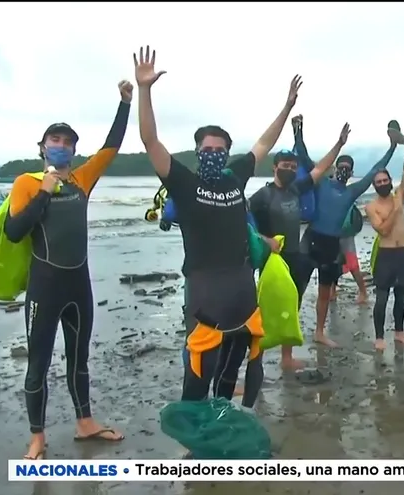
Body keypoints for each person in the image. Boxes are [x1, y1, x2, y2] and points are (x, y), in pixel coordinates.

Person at [134, 45, 295, 410]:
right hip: (204, 289)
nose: (214, 154)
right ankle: (194, 445)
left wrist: (286, 108)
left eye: (220, 149)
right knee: (199, 371)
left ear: (226, 153)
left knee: (233, 365)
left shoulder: (234, 179)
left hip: (241, 286)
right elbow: (150, 140)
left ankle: (222, 425)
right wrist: (144, 90)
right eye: (207, 149)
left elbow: (264, 143)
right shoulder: (184, 183)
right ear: (197, 151)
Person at [4, 80, 132, 460]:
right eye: (53, 140)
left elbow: (111, 146)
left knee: (79, 358)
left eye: (67, 141)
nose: (60, 145)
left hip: (79, 284)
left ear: (74, 151)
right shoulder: (25, 183)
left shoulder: (82, 179)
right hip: (44, 286)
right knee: (38, 363)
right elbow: (14, 232)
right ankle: (38, 437)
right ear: (43, 147)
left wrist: (125, 102)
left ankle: (85, 422)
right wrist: (44, 190)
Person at [248, 123, 351, 370]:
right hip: (270, 261)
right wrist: (265, 240)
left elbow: (320, 169)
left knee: (291, 307)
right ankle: (255, 362)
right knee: (263, 310)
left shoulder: (295, 188)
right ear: (274, 167)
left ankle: (286, 358)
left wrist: (339, 144)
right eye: (285, 165)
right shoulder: (263, 195)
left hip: (294, 257)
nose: (290, 169)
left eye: (293, 166)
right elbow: (243, 223)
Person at [301, 127, 404, 347]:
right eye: (342, 167)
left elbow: (377, 169)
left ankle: (319, 332)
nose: (344, 171)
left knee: (324, 293)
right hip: (310, 240)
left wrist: (392, 147)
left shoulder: (352, 191)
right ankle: (288, 336)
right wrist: (298, 131)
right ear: (335, 167)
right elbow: (304, 157)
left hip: (330, 244)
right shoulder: (321, 182)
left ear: (351, 172)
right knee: (298, 286)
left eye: (348, 169)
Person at [365, 126, 404, 351]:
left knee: (401, 295)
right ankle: (379, 336)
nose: (382, 184)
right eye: (378, 182)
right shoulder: (372, 206)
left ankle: (398, 331)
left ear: (389, 180)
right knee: (381, 298)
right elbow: (383, 231)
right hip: (386, 255)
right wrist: (396, 210)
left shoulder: (400, 195)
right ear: (374, 185)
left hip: (403, 253)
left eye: (384, 180)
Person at [331, 236, 368, 304]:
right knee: (332, 264)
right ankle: (332, 291)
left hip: (345, 236)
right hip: (332, 236)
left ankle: (363, 292)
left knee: (353, 265)